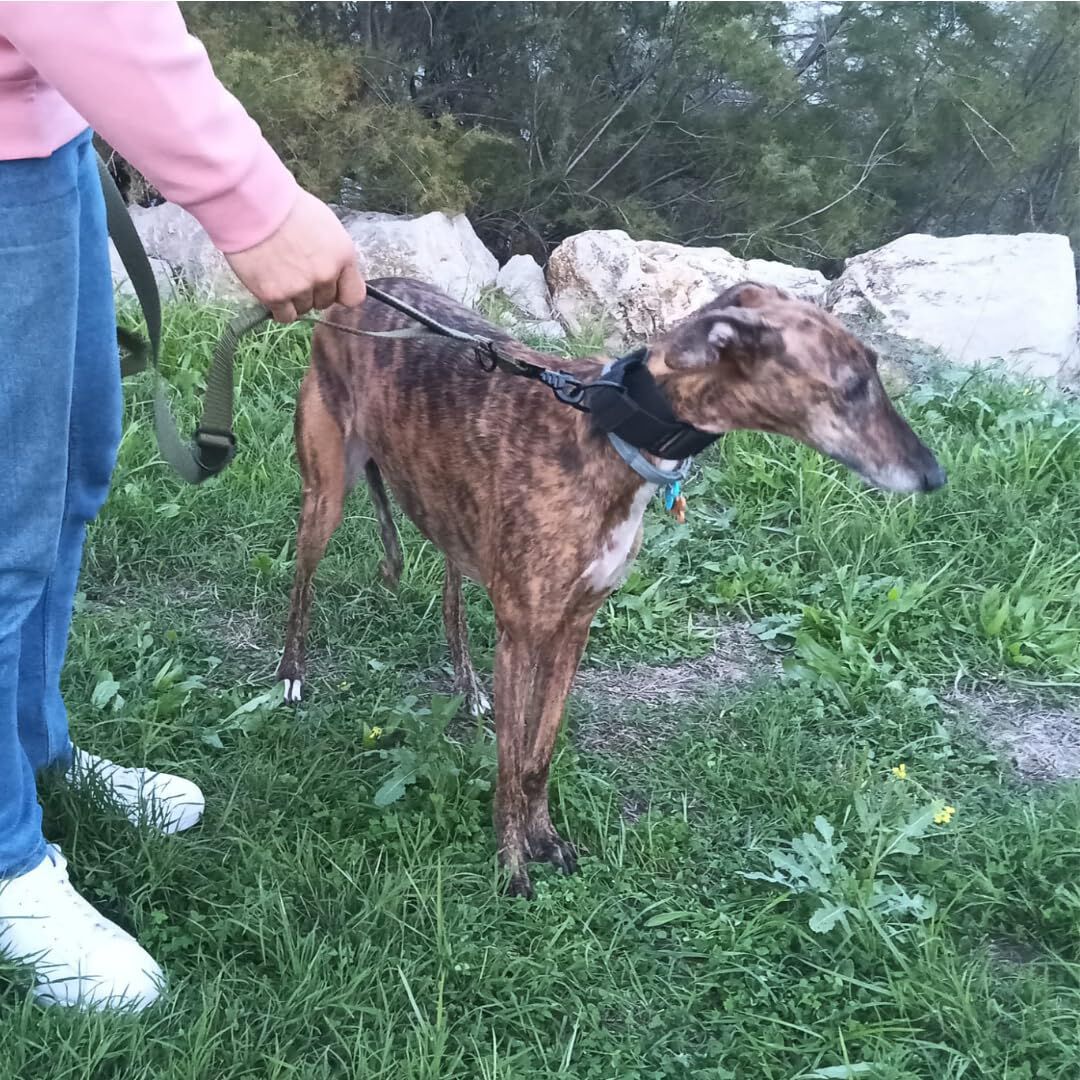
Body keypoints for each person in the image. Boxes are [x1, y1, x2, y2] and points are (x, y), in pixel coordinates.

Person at [0, 2, 366, 1011]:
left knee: (66, 467)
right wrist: (254, 203)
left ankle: (31, 749)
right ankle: (3, 864)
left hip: (39, 119)